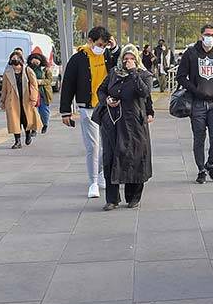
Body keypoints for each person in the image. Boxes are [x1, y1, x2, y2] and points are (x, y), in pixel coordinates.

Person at [59, 26, 114, 198]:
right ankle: (93, 183)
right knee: (93, 147)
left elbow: (120, 67)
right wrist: (65, 112)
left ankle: (102, 175)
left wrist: (114, 48)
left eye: (104, 45)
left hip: (106, 107)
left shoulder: (107, 56)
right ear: (90, 41)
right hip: (87, 108)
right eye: (99, 44)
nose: (101, 48)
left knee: (108, 145)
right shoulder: (78, 59)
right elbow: (67, 85)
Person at [97, 44, 154, 210]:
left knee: (134, 157)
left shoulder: (144, 75)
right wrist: (107, 99)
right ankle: (112, 198)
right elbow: (101, 90)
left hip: (134, 123)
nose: (128, 61)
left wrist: (133, 72)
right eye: (125, 58)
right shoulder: (114, 72)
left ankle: (133, 196)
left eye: (131, 59)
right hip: (112, 121)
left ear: (136, 59)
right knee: (110, 158)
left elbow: (145, 93)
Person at [176, 25, 213, 183]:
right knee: (199, 138)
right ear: (201, 35)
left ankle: (211, 163)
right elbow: (180, 76)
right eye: (207, 34)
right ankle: (201, 169)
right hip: (197, 104)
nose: (209, 37)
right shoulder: (191, 53)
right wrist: (195, 90)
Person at [1, 55, 40, 149]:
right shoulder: (7, 73)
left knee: (26, 118)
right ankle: (17, 141)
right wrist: (3, 101)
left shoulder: (27, 70)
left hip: (26, 99)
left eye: (17, 59)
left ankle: (28, 134)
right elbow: (4, 88)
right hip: (13, 100)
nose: (15, 61)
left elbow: (34, 86)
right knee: (14, 121)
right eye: (13, 59)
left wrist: (33, 99)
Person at [27, 52, 53, 133]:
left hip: (43, 93)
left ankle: (45, 124)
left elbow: (50, 80)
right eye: (33, 61)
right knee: (34, 111)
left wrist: (40, 82)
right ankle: (34, 129)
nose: (35, 63)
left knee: (44, 110)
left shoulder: (45, 69)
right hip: (32, 93)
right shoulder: (28, 69)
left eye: (37, 61)